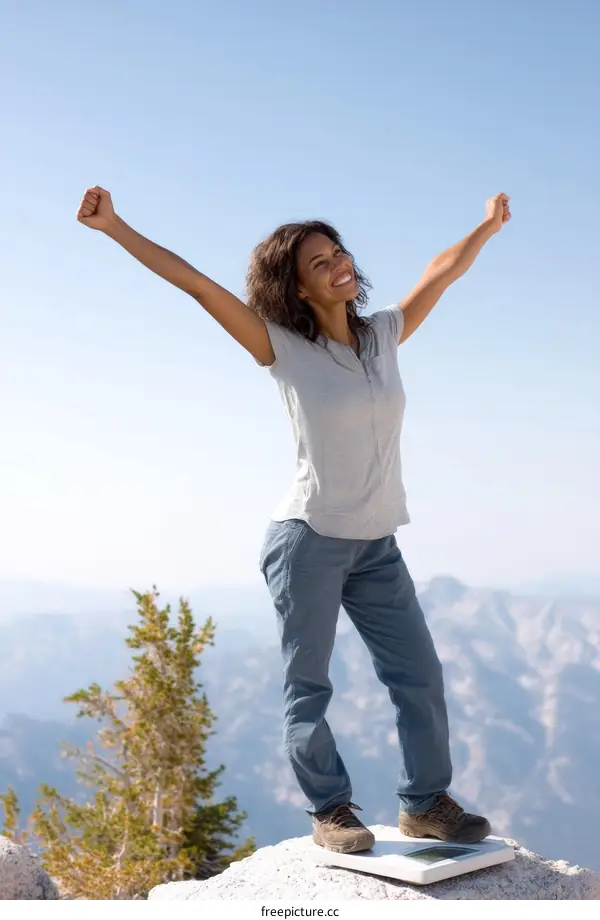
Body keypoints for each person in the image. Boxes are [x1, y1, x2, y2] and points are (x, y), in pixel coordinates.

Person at [77, 186, 511, 854]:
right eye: (318, 262)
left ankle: (426, 804)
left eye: (337, 252)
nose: (338, 264)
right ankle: (330, 811)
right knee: (308, 684)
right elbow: (196, 285)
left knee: (419, 675)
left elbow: (439, 272)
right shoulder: (279, 345)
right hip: (307, 541)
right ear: (297, 288)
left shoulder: (382, 336)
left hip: (377, 545)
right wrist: (115, 227)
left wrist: (485, 228)